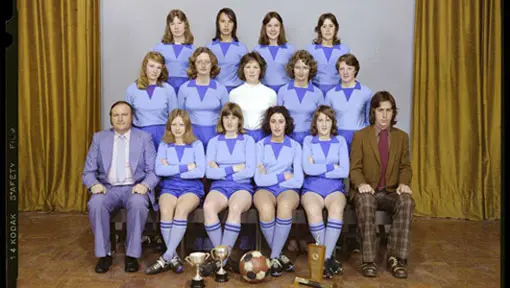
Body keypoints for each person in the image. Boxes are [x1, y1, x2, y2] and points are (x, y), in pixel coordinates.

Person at [83, 101, 159, 273]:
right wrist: (94, 184)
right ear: (110, 118)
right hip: (108, 189)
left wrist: (145, 185)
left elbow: (154, 171)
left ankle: (132, 255)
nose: (120, 118)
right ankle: (105, 255)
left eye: (124, 114)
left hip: (135, 187)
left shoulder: (144, 137)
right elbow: (88, 172)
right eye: (115, 115)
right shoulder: (99, 138)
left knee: (138, 204)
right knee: (95, 204)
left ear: (132, 117)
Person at [349, 91, 414, 279]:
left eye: (388, 110)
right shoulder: (361, 136)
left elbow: (405, 166)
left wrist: (403, 183)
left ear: (393, 113)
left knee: (407, 202)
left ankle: (396, 258)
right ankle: (369, 260)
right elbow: (355, 168)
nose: (384, 115)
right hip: (367, 191)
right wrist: (361, 184)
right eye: (380, 110)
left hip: (391, 191)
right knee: (367, 202)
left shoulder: (401, 137)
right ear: (373, 112)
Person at [144, 109, 206, 275]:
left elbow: (200, 172)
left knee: (180, 210)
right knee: (165, 211)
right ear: (169, 126)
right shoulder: (164, 144)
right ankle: (172, 256)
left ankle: (166, 256)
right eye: (174, 124)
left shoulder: (196, 144)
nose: (178, 128)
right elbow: (159, 170)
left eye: (181, 124)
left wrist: (171, 168)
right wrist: (186, 167)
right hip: (170, 187)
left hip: (191, 188)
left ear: (187, 126)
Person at [201, 102, 256, 274]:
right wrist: (233, 168)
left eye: (234, 117)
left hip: (242, 187)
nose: (230, 121)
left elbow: (250, 171)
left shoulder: (248, 140)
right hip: (219, 187)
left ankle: (220, 261)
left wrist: (220, 169)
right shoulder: (214, 141)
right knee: (208, 207)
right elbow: (209, 173)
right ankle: (223, 260)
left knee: (235, 207)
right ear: (222, 119)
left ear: (239, 120)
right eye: (226, 117)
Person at [253, 106, 303, 277]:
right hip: (264, 189)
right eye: (273, 121)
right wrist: (283, 175)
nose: (277, 126)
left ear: (286, 124)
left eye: (280, 122)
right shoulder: (260, 145)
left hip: (289, 190)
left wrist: (270, 174)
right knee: (266, 209)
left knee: (284, 206)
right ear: (268, 124)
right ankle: (279, 256)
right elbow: (259, 179)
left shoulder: (295, 146)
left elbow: (298, 179)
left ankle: (273, 256)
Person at [301, 105, 349, 279]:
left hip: (335, 189)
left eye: (327, 120)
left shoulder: (341, 141)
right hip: (311, 189)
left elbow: (344, 171)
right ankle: (328, 261)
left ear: (332, 123)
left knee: (336, 211)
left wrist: (318, 166)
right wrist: (331, 166)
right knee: (314, 213)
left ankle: (325, 258)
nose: (323, 124)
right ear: (315, 122)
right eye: (320, 120)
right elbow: (307, 169)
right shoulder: (308, 141)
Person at [177, 47, 229, 148]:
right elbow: (180, 117)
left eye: (207, 62)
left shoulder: (221, 89)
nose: (203, 65)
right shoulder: (184, 88)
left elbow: (226, 117)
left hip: (215, 136)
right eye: (199, 62)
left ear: (212, 64)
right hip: (191, 136)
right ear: (194, 65)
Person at [126, 51, 177, 150]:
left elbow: (174, 117)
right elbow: (128, 117)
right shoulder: (132, 89)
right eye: (151, 66)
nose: (155, 70)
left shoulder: (168, 89)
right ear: (145, 66)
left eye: (158, 67)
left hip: (163, 136)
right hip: (139, 135)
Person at [324, 53, 372, 151]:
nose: (345, 72)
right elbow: (326, 121)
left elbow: (369, 121)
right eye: (342, 69)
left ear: (355, 70)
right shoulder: (330, 94)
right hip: (337, 139)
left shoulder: (366, 92)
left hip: (359, 138)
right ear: (338, 71)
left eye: (349, 68)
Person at [229, 51, 277, 142]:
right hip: (241, 137)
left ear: (261, 70)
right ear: (242, 69)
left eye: (255, 67)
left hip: (263, 137)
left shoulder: (271, 94)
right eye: (248, 67)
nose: (251, 71)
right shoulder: (234, 94)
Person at [278, 50, 323, 144]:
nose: (301, 72)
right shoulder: (283, 91)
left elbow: (321, 120)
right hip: (287, 138)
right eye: (297, 67)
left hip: (311, 139)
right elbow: (279, 118)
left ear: (310, 69)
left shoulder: (318, 93)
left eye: (305, 68)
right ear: (292, 69)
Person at [153, 9, 196, 94]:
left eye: (179, 23)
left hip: (186, 89)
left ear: (185, 25)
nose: (176, 27)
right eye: (172, 24)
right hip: (164, 88)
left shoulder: (193, 50)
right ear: (168, 27)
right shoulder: (159, 48)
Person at [306, 13, 350, 95]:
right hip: (315, 92)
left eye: (331, 26)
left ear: (336, 28)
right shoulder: (310, 49)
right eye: (324, 26)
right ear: (319, 29)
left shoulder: (344, 50)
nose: (327, 30)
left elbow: (349, 73)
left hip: (338, 92)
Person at [207, 8, 249, 93]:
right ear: (218, 24)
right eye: (223, 21)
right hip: (214, 91)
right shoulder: (209, 48)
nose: (226, 25)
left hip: (237, 91)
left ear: (234, 25)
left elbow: (247, 73)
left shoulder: (242, 48)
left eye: (230, 22)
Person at [253, 11, 294, 93]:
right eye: (269, 26)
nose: (273, 29)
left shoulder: (290, 50)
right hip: (263, 92)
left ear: (281, 28)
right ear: (264, 28)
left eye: (276, 25)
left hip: (285, 92)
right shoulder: (257, 50)